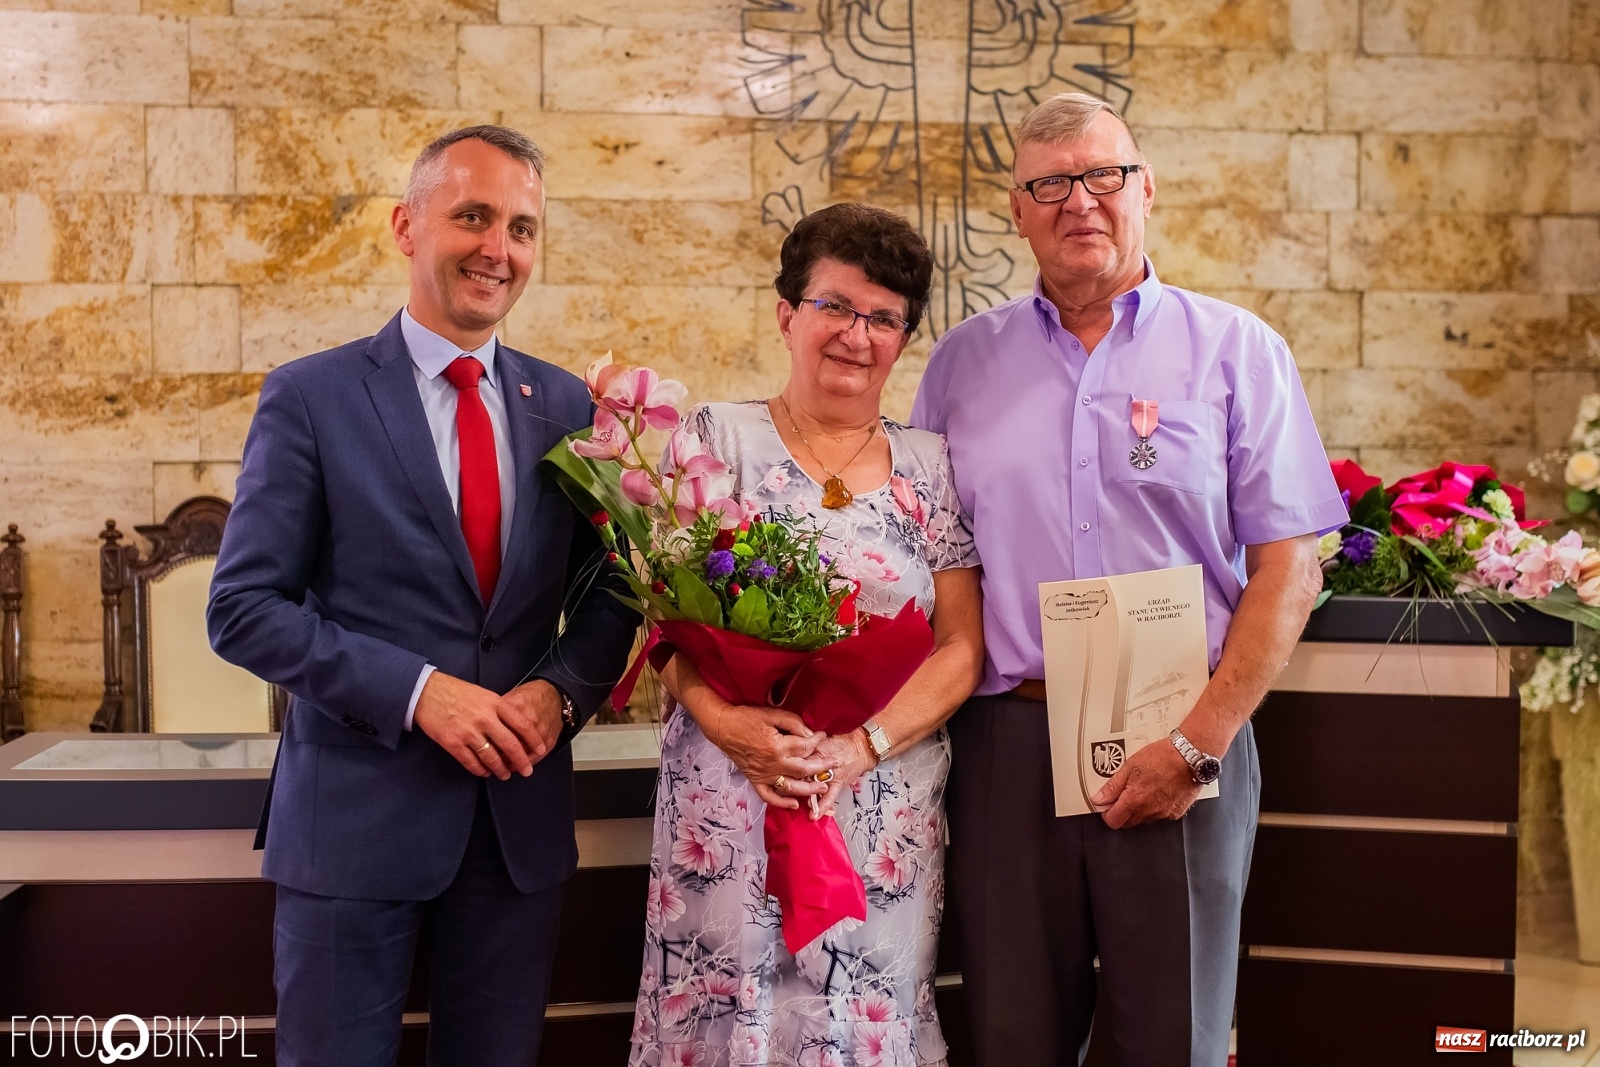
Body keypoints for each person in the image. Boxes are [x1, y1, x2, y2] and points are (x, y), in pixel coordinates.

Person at [912, 93, 1346, 1065]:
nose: (1080, 200)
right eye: (1050, 183)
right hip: (1008, 749)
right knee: (1011, 1036)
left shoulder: (1240, 352)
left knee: (1174, 1038)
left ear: (1145, 188)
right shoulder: (958, 366)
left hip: (1183, 737)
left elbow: (1290, 563)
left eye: (1102, 175)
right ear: (1016, 210)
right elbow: (933, 560)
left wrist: (1197, 743)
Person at [207, 125, 638, 1066]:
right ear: (407, 227)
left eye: (522, 227)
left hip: (516, 829)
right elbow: (243, 608)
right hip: (351, 828)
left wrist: (559, 692)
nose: (499, 248)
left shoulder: (569, 408)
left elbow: (617, 585)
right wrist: (418, 690)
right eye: (473, 216)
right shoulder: (311, 397)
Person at [628, 203, 985, 1067]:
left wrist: (862, 747)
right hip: (732, 801)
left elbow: (960, 647)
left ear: (904, 339)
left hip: (878, 808)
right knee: (725, 1021)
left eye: (883, 318)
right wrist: (731, 725)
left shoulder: (932, 466)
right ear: (788, 313)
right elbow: (664, 626)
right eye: (834, 306)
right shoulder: (717, 439)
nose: (856, 335)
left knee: (858, 1027)